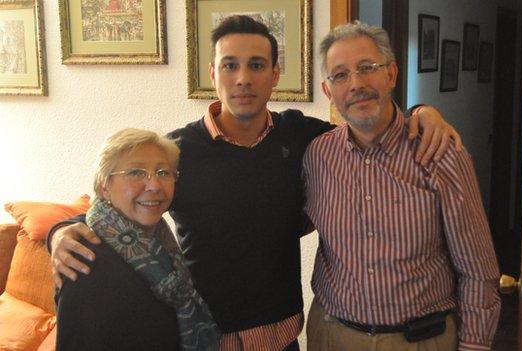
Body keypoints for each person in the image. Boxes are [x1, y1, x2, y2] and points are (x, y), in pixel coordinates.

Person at [47, 16, 461, 351]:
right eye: (230, 65)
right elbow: (126, 201)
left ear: (275, 74)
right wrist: (59, 231)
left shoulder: (304, 138)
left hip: (280, 337)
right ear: (214, 73)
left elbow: (365, 120)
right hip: (201, 334)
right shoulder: (177, 150)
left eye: (256, 65)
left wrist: (421, 112)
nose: (243, 77)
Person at [303, 22, 500, 351]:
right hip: (332, 336)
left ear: (391, 74)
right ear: (327, 91)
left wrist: (474, 346)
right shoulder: (316, 156)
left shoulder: (441, 155)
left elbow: (478, 271)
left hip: (420, 340)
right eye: (340, 75)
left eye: (368, 68)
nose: (356, 84)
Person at [55, 128, 221, 351]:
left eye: (163, 172)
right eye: (136, 172)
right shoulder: (86, 260)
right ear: (104, 186)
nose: (154, 185)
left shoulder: (163, 248)